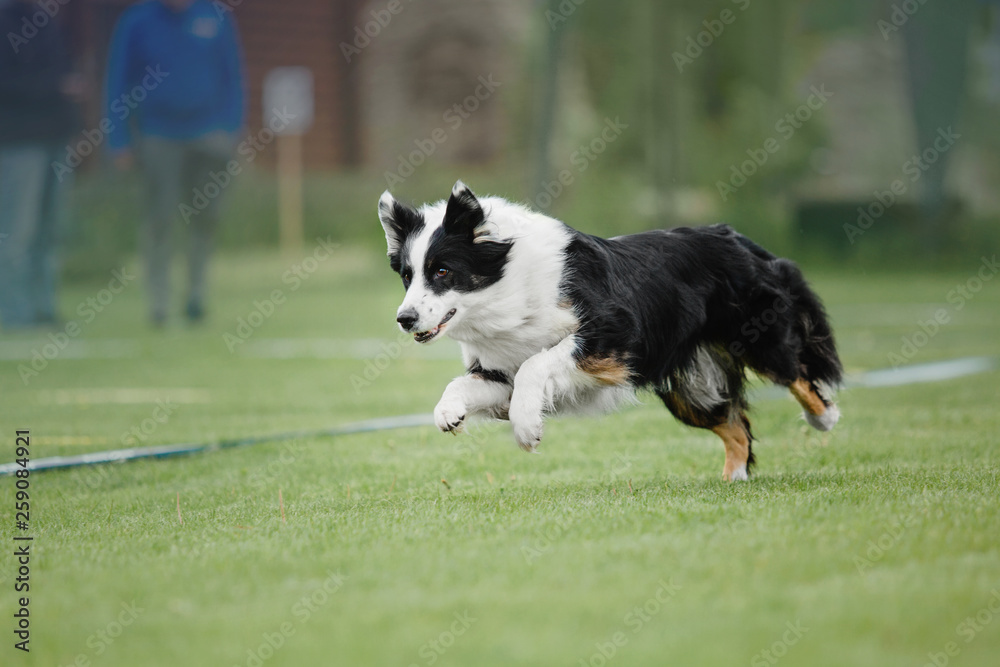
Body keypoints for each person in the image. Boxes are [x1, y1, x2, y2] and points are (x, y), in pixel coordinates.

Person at [105, 0, 245, 326]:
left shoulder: (215, 16)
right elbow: (117, 82)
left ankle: (196, 297)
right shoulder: (137, 22)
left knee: (205, 218)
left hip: (210, 134)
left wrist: (231, 129)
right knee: (159, 219)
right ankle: (159, 305)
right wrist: (119, 140)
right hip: (158, 135)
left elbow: (233, 75)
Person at [0, 0, 83, 331]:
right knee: (17, 229)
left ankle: (43, 308)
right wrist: (56, 86)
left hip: (55, 138)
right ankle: (13, 311)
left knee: (50, 230)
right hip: (19, 142)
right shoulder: (6, 21)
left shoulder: (46, 20)